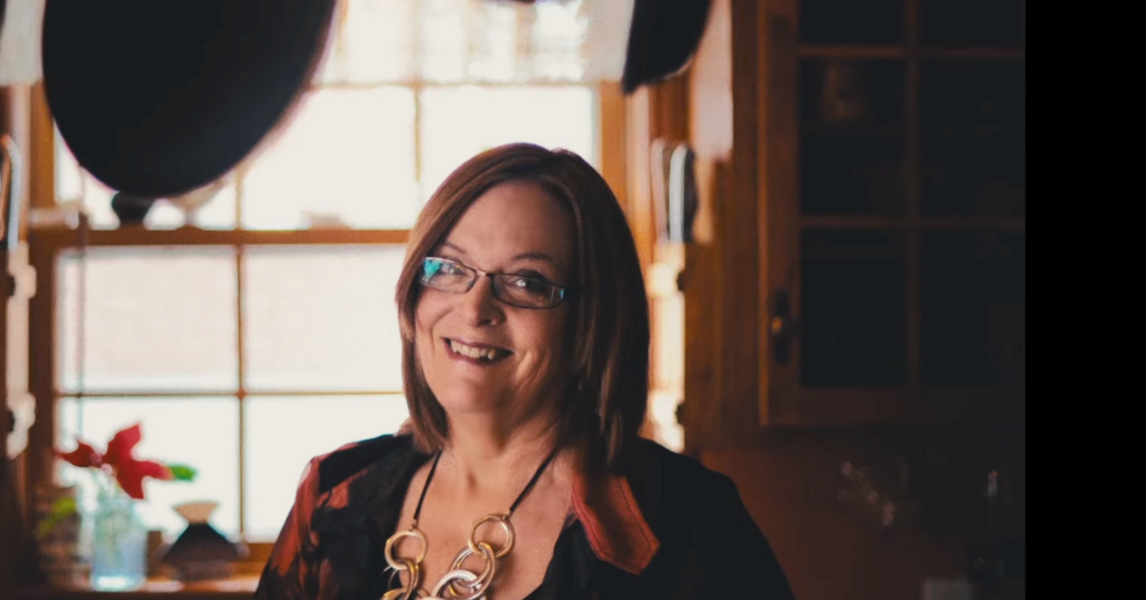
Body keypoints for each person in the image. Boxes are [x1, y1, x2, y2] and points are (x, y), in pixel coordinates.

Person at [257, 143, 793, 600]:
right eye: (447, 268)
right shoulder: (333, 494)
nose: (474, 307)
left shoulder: (691, 520)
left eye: (527, 282)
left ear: (592, 321)